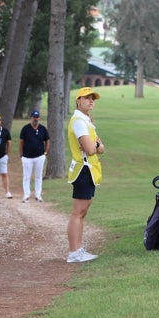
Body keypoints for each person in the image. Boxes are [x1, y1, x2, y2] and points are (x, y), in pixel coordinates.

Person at [66, 87, 104, 263]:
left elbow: (100, 148)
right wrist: (95, 146)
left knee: (82, 212)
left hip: (88, 169)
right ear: (78, 101)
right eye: (87, 98)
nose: (91, 101)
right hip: (83, 169)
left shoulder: (86, 121)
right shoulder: (79, 121)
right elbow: (91, 149)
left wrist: (95, 146)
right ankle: (74, 252)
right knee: (78, 212)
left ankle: (78, 249)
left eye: (92, 98)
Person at [19, 110, 50, 203]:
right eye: (34, 118)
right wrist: (21, 155)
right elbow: (21, 142)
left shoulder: (43, 129)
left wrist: (45, 152)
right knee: (26, 176)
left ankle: (38, 195)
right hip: (27, 157)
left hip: (39, 156)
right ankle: (26, 195)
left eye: (37, 118)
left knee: (38, 176)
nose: (35, 119)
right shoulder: (25, 129)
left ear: (39, 118)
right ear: (31, 118)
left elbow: (47, 140)